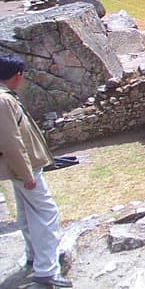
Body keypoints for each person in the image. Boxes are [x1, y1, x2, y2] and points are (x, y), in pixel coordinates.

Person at [0, 53, 72, 287]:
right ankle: (47, 270)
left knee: (27, 214)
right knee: (46, 214)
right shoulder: (4, 101)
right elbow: (11, 141)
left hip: (18, 169)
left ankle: (34, 255)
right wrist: (26, 172)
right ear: (17, 75)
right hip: (24, 169)